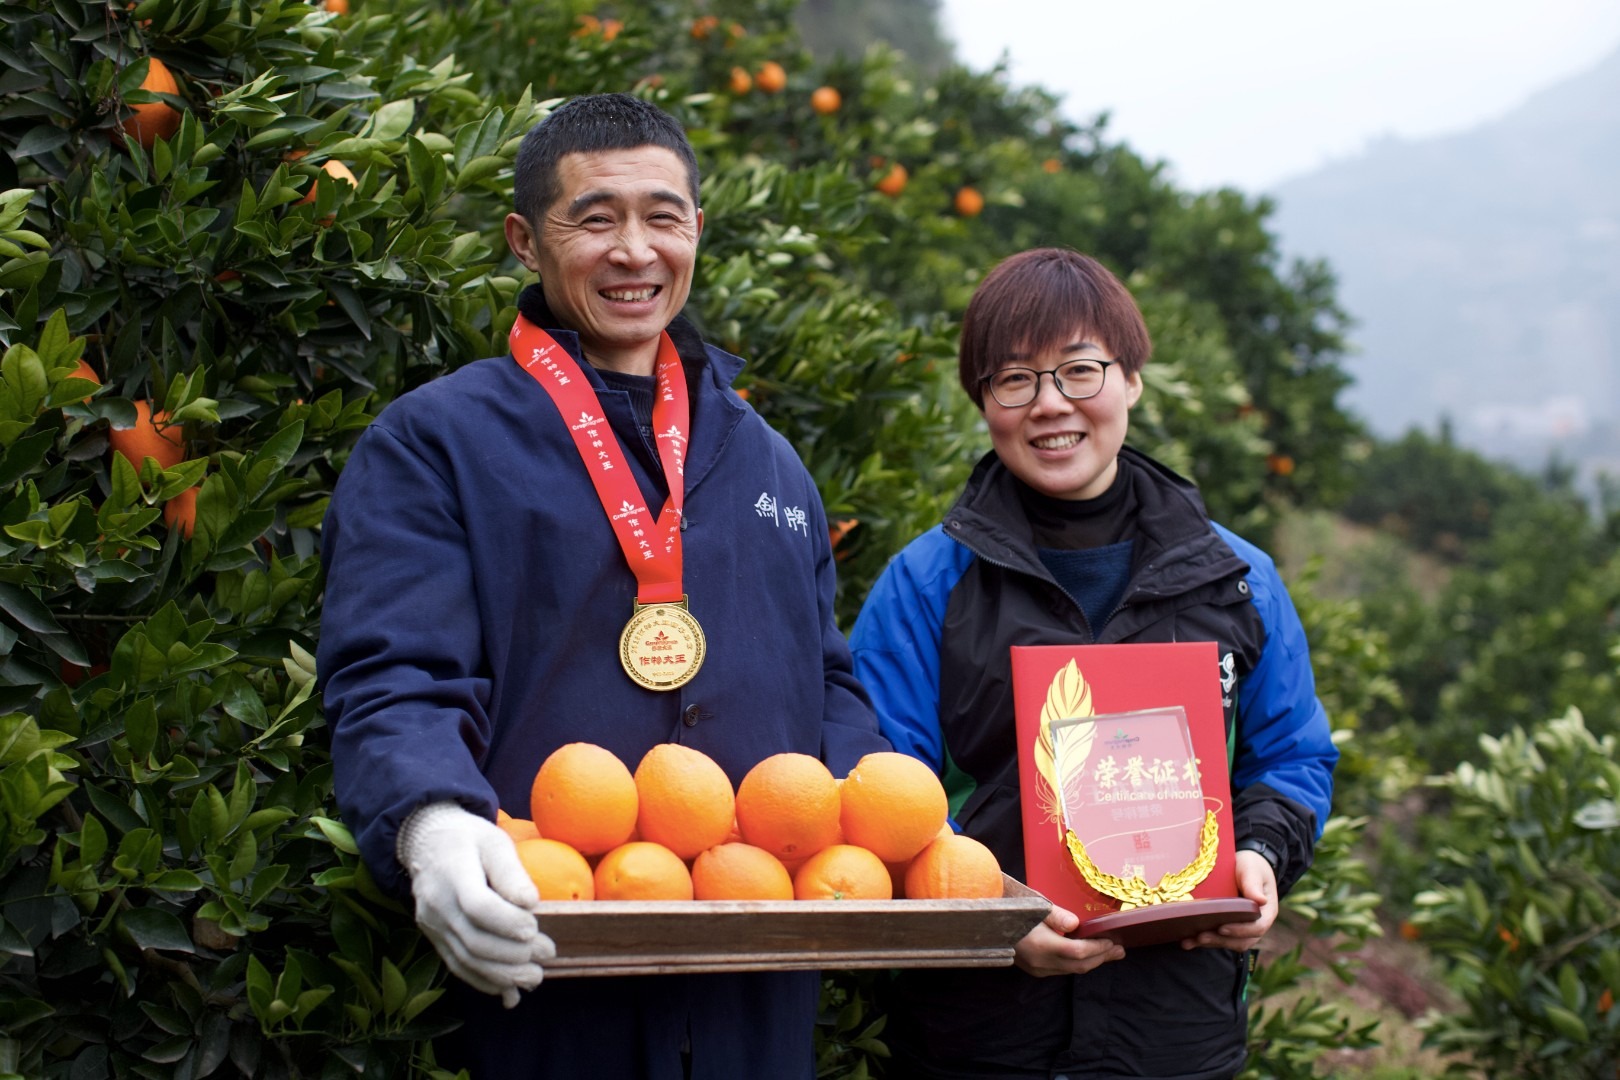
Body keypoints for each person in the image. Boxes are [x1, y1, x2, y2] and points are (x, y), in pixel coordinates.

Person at [316, 92, 888, 1079]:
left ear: (696, 231)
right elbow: (393, 677)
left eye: (662, 217)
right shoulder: (435, 444)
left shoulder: (767, 462)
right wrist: (430, 821)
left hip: (753, 995)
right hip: (538, 975)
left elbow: (826, 686)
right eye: (595, 217)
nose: (635, 250)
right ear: (524, 242)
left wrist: (897, 829)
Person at [849, 247, 1338, 1079]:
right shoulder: (927, 584)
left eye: (1079, 370)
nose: (1050, 406)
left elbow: (1291, 758)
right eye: (1014, 380)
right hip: (975, 1036)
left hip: (1175, 1031)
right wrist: (990, 921)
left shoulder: (1236, 580)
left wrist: (1259, 853)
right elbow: (879, 787)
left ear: (1132, 379)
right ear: (982, 402)